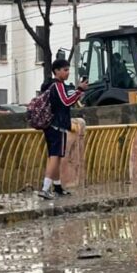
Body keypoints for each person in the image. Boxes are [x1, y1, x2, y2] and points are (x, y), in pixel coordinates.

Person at [38, 59, 89, 200]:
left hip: (50, 126)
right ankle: (45, 188)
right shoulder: (57, 85)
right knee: (55, 156)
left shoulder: (50, 86)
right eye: (65, 70)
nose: (67, 73)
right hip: (57, 126)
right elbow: (66, 101)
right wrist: (79, 90)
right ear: (57, 71)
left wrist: (77, 91)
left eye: (68, 70)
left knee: (56, 156)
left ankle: (57, 186)